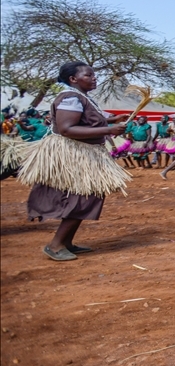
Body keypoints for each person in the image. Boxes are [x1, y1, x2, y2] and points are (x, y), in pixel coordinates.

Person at [19, 61, 130, 261]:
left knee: (87, 196)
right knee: (83, 197)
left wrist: (111, 120)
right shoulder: (71, 97)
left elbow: (84, 120)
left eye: (94, 75)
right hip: (74, 154)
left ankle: (67, 242)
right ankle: (56, 245)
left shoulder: (80, 97)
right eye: (88, 75)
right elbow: (66, 129)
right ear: (73, 79)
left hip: (84, 153)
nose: (94, 78)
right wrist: (109, 129)